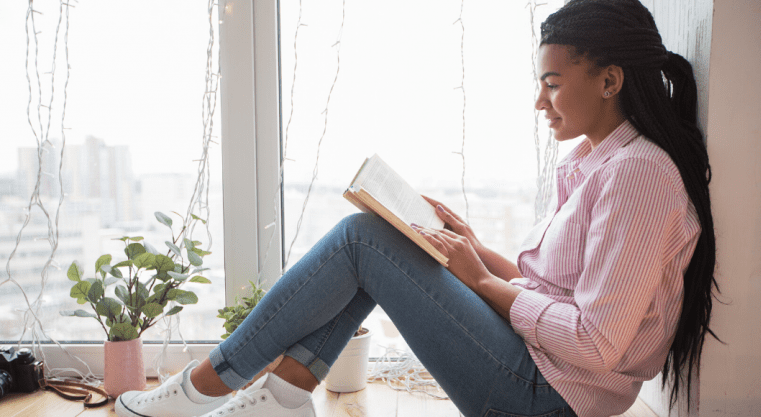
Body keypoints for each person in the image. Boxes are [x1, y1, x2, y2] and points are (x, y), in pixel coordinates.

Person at [115, 1, 719, 416]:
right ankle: (282, 397)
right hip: (542, 374)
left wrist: (479, 279)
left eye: (554, 83)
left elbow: (595, 344)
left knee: (361, 241)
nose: (540, 100)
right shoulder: (601, 164)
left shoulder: (639, 174)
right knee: (375, 239)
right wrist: (469, 247)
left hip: (546, 398)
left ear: (610, 81)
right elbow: (559, 297)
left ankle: (199, 391)